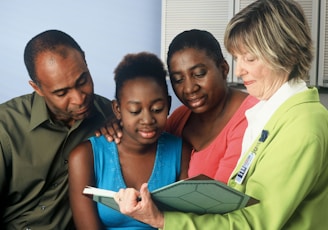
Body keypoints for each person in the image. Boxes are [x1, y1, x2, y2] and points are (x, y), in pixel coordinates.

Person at [113, 0, 328, 229]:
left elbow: (254, 222)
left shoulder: (302, 127)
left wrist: (162, 220)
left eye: (250, 58)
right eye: (237, 58)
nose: (239, 70)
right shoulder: (271, 113)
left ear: (286, 52)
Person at [101, 29, 258, 184]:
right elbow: (151, 147)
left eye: (199, 74)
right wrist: (120, 124)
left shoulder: (252, 116)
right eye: (178, 79)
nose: (189, 88)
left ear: (223, 69)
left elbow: (222, 197)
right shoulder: (180, 118)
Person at [0, 30, 115, 229]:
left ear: (85, 61)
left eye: (83, 81)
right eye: (61, 93)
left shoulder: (111, 116)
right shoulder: (6, 127)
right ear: (37, 88)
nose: (79, 99)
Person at [68, 52, 190, 229]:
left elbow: (185, 223)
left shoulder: (181, 151)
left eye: (157, 109)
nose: (147, 120)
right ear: (117, 109)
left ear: (169, 105)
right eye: (135, 111)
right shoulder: (85, 156)